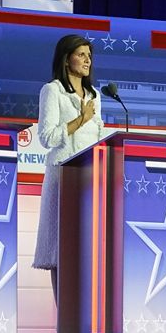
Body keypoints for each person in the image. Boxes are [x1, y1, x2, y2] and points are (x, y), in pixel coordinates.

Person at [32, 34, 105, 302]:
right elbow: (47, 137)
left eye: (89, 55)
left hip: (90, 179)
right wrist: (80, 119)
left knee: (88, 248)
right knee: (62, 249)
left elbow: (98, 135)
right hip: (64, 176)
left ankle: (87, 313)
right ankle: (65, 314)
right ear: (66, 59)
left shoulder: (95, 95)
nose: (87, 60)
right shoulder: (52, 90)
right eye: (81, 54)